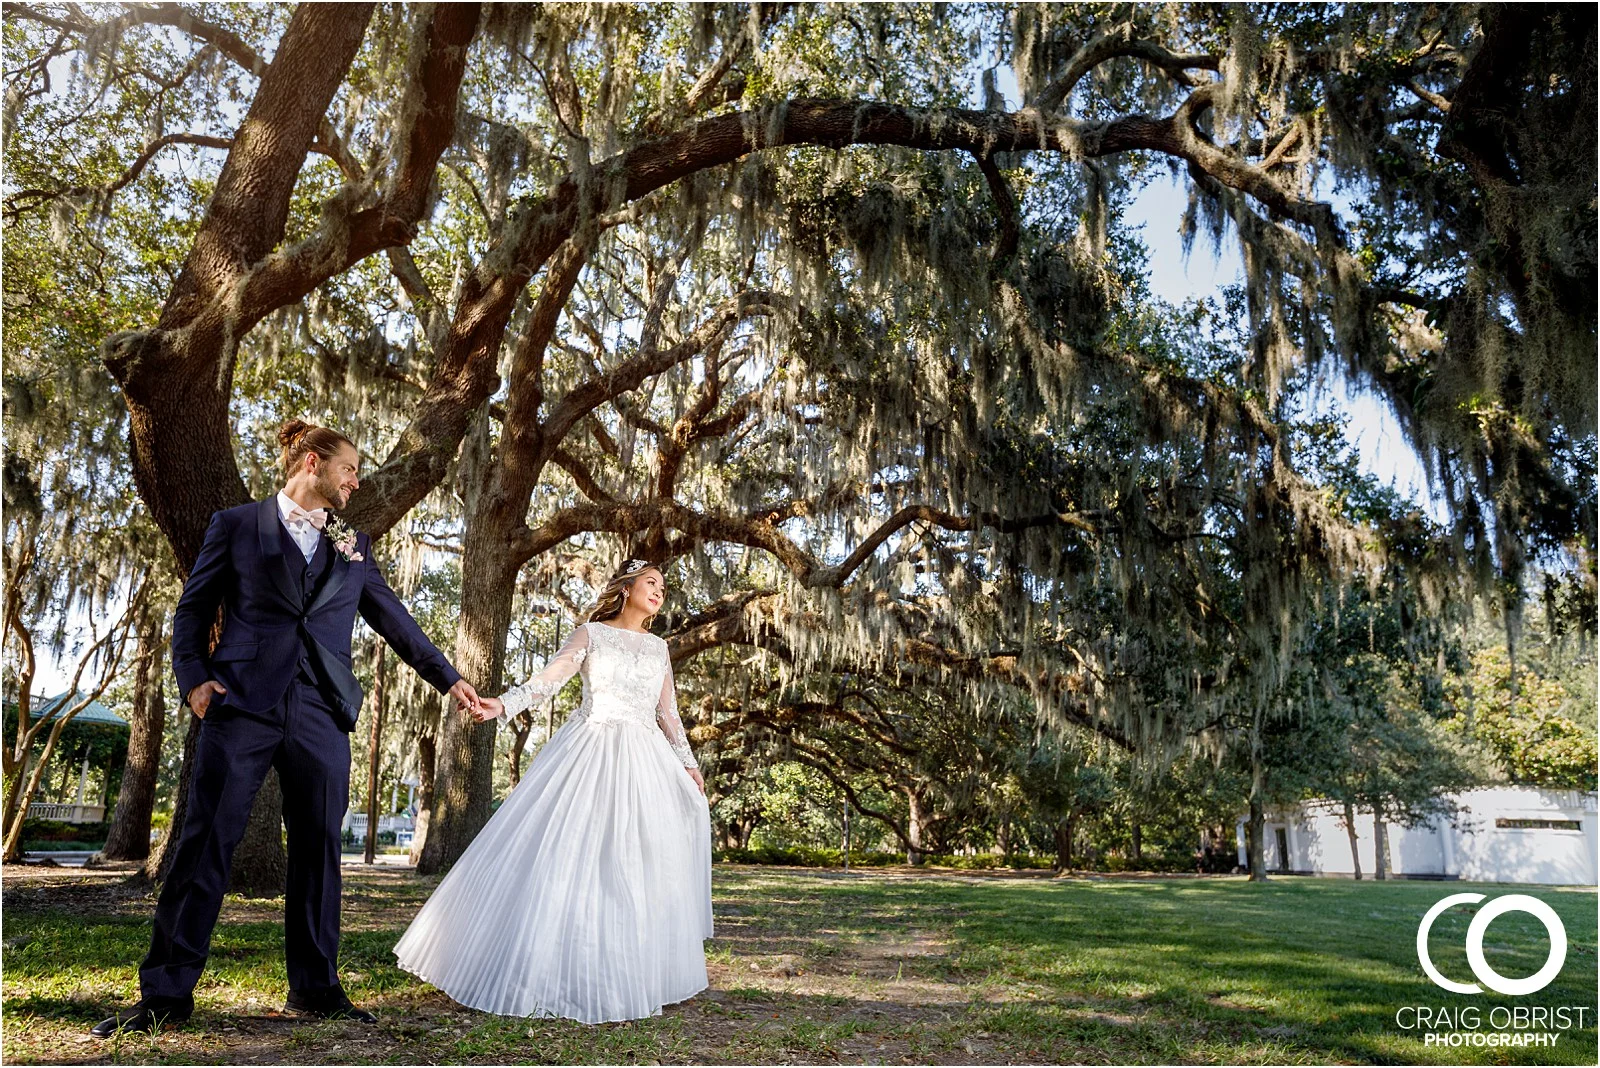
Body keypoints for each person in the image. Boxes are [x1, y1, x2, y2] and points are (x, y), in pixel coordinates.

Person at [92, 420, 482, 1037]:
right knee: (203, 844)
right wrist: (194, 677)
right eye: (349, 469)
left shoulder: (353, 542)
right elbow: (192, 609)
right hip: (240, 703)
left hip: (322, 710)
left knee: (320, 850)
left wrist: (449, 678)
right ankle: (164, 993)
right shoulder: (236, 525)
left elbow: (393, 618)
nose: (357, 481)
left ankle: (315, 988)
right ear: (311, 462)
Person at [393, 559, 713, 1023]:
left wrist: (687, 762)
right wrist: (502, 704)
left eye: (663, 585)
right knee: (577, 857)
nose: (659, 591)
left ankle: (633, 971)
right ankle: (560, 968)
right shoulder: (591, 634)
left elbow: (668, 714)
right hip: (591, 752)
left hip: (646, 759)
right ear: (626, 588)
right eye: (650, 582)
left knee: (638, 859)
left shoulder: (659, 648)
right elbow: (548, 681)